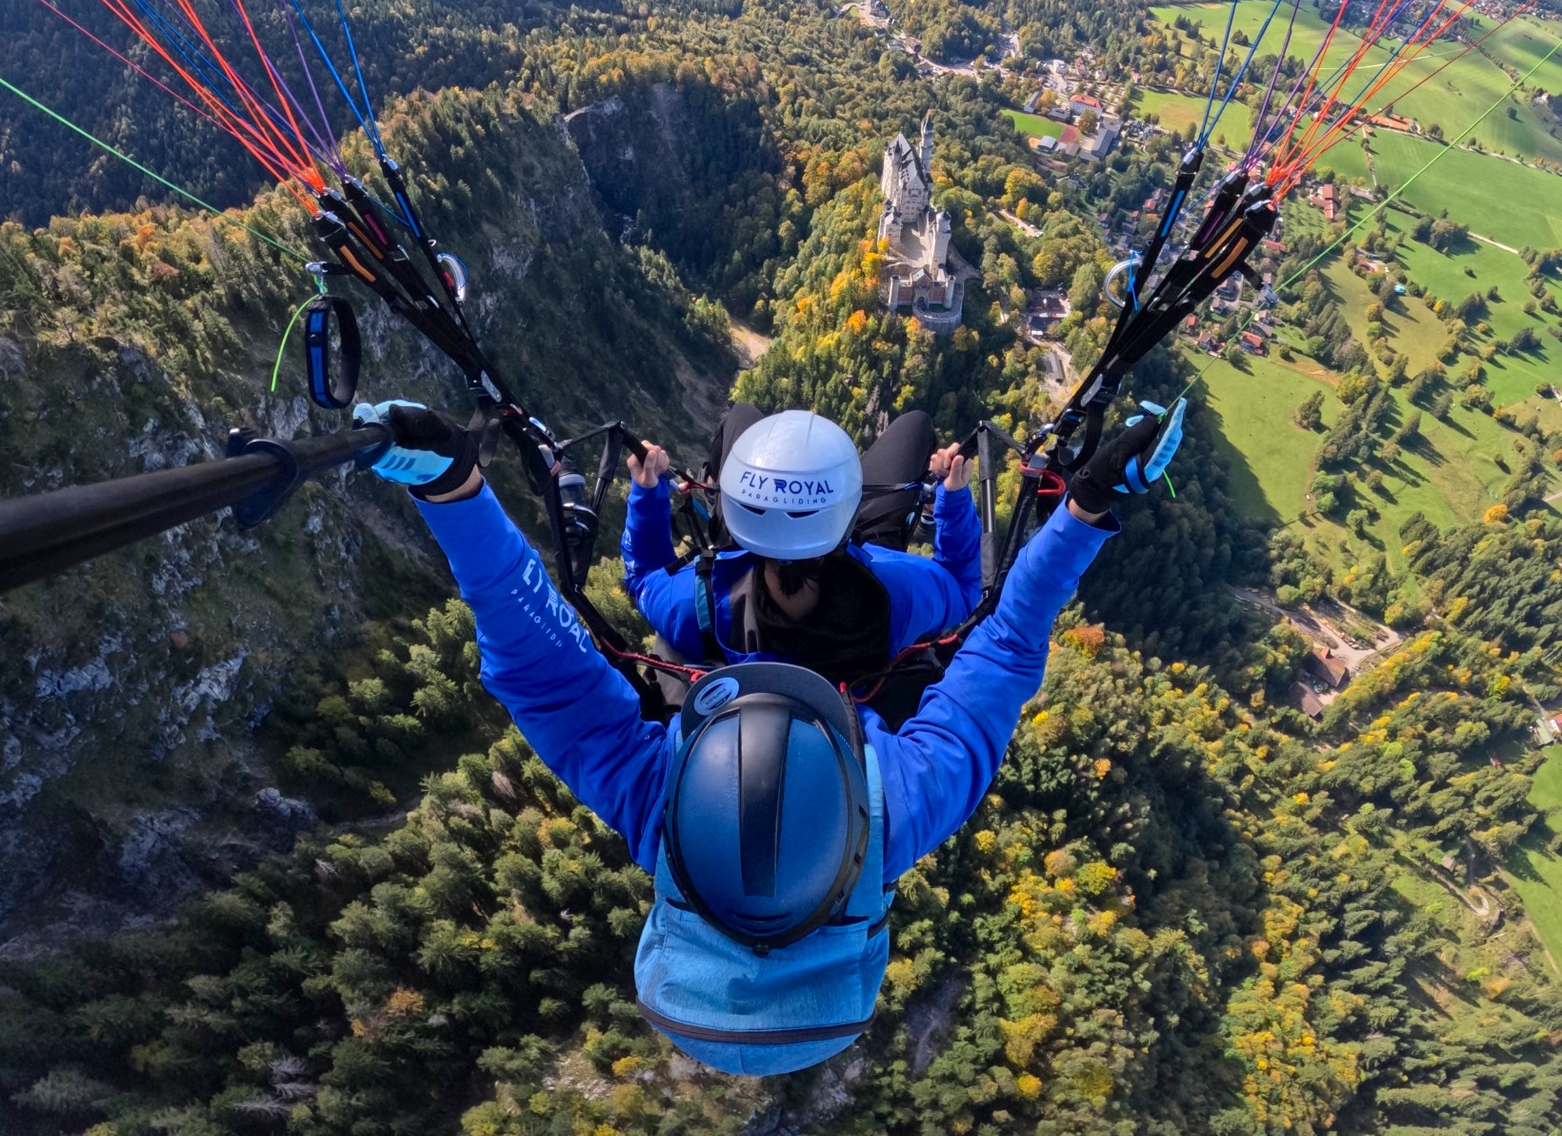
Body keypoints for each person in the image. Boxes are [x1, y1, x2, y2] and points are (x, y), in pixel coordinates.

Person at [353, 394, 1185, 1076]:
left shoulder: (897, 810)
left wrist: (1085, 506)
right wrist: (456, 491)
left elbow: (1002, 647)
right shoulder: (666, 810)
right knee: (821, 428)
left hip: (840, 591)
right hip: (864, 586)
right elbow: (545, 672)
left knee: (848, 431)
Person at [622, 405, 981, 688]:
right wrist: (952, 498)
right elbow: (963, 586)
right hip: (859, 566)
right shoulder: (898, 594)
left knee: (742, 413)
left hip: (752, 574)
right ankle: (922, 516)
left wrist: (647, 490)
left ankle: (721, 503)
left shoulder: (697, 606)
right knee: (916, 425)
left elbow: (643, 577)